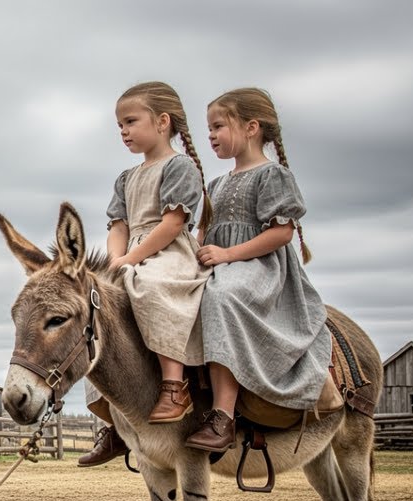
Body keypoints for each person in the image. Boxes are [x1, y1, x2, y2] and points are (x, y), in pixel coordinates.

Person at [186, 88, 330, 451]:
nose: (211, 136)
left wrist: (228, 255)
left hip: (260, 270)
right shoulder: (216, 185)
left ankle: (223, 415)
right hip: (219, 261)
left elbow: (282, 233)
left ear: (251, 127)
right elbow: (204, 234)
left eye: (218, 126)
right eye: (209, 129)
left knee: (221, 297)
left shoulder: (273, 175)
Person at [79, 81, 211, 466]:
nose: (123, 131)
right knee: (96, 306)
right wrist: (114, 262)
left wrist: (133, 259)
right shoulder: (125, 178)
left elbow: (172, 224)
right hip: (133, 252)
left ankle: (174, 385)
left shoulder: (179, 167)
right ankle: (113, 413)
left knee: (152, 287)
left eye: (130, 121)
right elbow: (117, 225)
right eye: (119, 124)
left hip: (168, 252)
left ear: (163, 121)